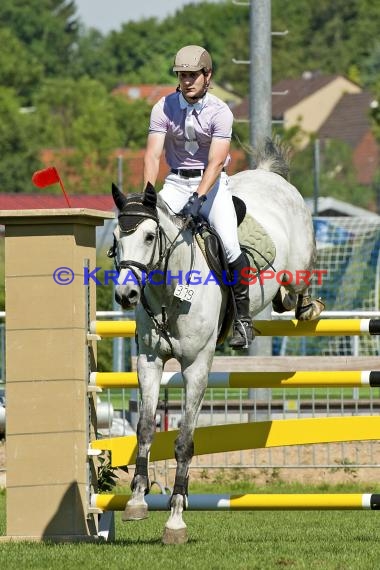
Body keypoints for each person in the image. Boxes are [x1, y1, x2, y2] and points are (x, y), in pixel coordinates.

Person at [143, 44, 252, 349]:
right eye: (182, 75)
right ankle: (144, 306)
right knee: (146, 232)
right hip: (176, 183)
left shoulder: (220, 111)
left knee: (230, 245)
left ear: (208, 75)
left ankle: (242, 320)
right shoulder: (163, 107)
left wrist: (200, 198)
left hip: (213, 185)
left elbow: (216, 162)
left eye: (193, 75)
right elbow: (152, 155)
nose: (187, 80)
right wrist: (149, 195)